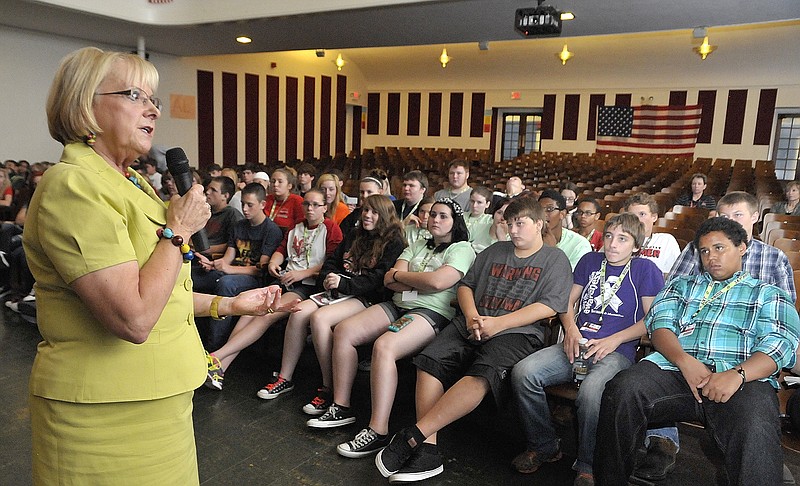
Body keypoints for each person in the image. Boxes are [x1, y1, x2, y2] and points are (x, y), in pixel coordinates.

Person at [26, 46, 288, 484]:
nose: (153, 110)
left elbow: (162, 291)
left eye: (154, 99)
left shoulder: (130, 181)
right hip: (104, 418)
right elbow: (134, 316)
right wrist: (179, 231)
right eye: (135, 95)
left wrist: (232, 306)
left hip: (161, 399)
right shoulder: (74, 186)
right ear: (85, 103)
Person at [374, 197, 573, 482]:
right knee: (430, 361)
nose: (514, 230)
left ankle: (415, 434)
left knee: (483, 374)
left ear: (539, 224)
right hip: (473, 321)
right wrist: (471, 317)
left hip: (518, 332)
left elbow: (550, 306)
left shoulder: (555, 259)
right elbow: (466, 287)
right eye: (510, 223)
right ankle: (428, 451)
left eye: (521, 223)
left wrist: (498, 323)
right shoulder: (495, 251)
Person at [595, 217, 800, 486]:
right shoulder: (682, 286)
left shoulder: (767, 293)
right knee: (622, 389)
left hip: (741, 378)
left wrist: (738, 374)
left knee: (756, 424)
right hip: (677, 371)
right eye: (704, 251)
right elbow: (660, 326)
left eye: (719, 248)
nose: (711, 257)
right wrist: (683, 361)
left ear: (742, 248)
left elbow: (780, 344)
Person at [511, 213, 663, 486]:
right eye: (608, 237)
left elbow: (653, 320)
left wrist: (614, 340)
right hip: (577, 344)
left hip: (615, 352)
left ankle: (587, 464)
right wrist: (570, 329)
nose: (613, 244)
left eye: (622, 239)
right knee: (524, 373)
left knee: (592, 394)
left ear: (636, 246)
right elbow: (566, 302)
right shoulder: (590, 261)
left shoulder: (645, 270)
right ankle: (545, 445)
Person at [310, 199, 475, 451]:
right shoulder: (418, 243)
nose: (435, 220)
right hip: (398, 304)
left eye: (443, 216)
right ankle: (341, 405)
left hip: (431, 311)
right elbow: (389, 279)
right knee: (344, 330)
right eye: (432, 215)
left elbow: (439, 283)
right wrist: (412, 279)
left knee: (385, 346)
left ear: (455, 222)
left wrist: (405, 278)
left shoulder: (462, 248)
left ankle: (378, 430)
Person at [256, 195, 405, 414]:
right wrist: (328, 277)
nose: (367, 215)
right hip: (337, 291)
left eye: (373, 212)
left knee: (319, 318)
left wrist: (343, 283)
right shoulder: (355, 234)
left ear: (384, 216)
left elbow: (377, 280)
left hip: (365, 297)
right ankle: (285, 377)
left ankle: (328, 387)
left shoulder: (393, 242)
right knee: (299, 312)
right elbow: (332, 261)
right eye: (365, 211)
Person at [204, 188, 343, 390]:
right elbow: (280, 251)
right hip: (286, 280)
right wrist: (273, 264)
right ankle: (221, 367)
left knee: (266, 314)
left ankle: (216, 357)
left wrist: (303, 274)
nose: (310, 208)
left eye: (315, 205)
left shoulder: (330, 228)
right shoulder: (298, 227)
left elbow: (332, 262)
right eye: (306, 204)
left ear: (325, 207)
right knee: (248, 312)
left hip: (307, 285)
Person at [193, 182, 283, 350]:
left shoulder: (271, 230)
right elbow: (229, 257)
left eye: (250, 205)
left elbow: (260, 269)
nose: (245, 209)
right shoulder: (239, 226)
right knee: (194, 278)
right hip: (233, 273)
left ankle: (214, 347)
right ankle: (190, 338)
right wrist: (214, 265)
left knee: (226, 284)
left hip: (254, 279)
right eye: (243, 204)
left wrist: (227, 269)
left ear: (263, 205)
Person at [623, 192, 681, 274]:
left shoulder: (666, 241)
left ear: (654, 217)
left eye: (642, 214)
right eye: (632, 216)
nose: (637, 220)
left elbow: (675, 276)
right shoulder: (617, 239)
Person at [538, 189, 592, 269]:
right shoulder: (526, 238)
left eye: (549, 209)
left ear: (562, 214)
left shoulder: (579, 244)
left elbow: (568, 278)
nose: (543, 214)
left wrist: (552, 251)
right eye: (539, 210)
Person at [340, 176, 383, 240]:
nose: (365, 196)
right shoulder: (354, 214)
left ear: (380, 192)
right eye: (362, 192)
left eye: (369, 192)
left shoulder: (385, 214)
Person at [264, 167, 305, 234]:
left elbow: (301, 226)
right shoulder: (266, 199)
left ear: (289, 186)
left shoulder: (297, 201)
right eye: (273, 181)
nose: (275, 185)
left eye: (280, 182)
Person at [465, 185, 494, 253]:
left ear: (487, 204)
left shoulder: (490, 220)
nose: (474, 205)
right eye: (472, 201)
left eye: (479, 202)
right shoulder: (461, 216)